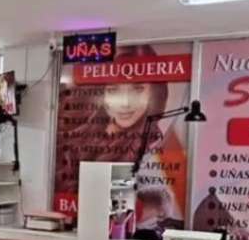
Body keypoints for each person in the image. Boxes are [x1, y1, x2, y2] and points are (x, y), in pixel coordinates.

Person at [55, 44, 187, 228]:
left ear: (153, 94)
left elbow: (142, 213)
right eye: (113, 90)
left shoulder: (153, 149)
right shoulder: (73, 138)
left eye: (137, 89)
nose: (125, 103)